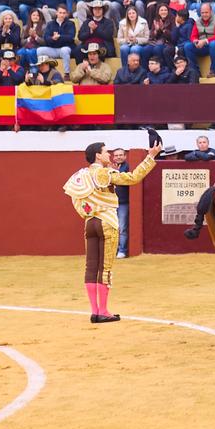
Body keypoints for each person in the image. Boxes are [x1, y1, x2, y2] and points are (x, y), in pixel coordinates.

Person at [63, 138, 161, 323]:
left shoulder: (80, 174)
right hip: (107, 221)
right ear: (98, 156)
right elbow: (133, 178)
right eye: (106, 152)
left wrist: (89, 213)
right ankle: (104, 310)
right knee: (105, 268)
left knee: (91, 267)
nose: (110, 154)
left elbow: (76, 200)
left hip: (90, 223)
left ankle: (94, 311)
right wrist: (150, 157)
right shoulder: (104, 173)